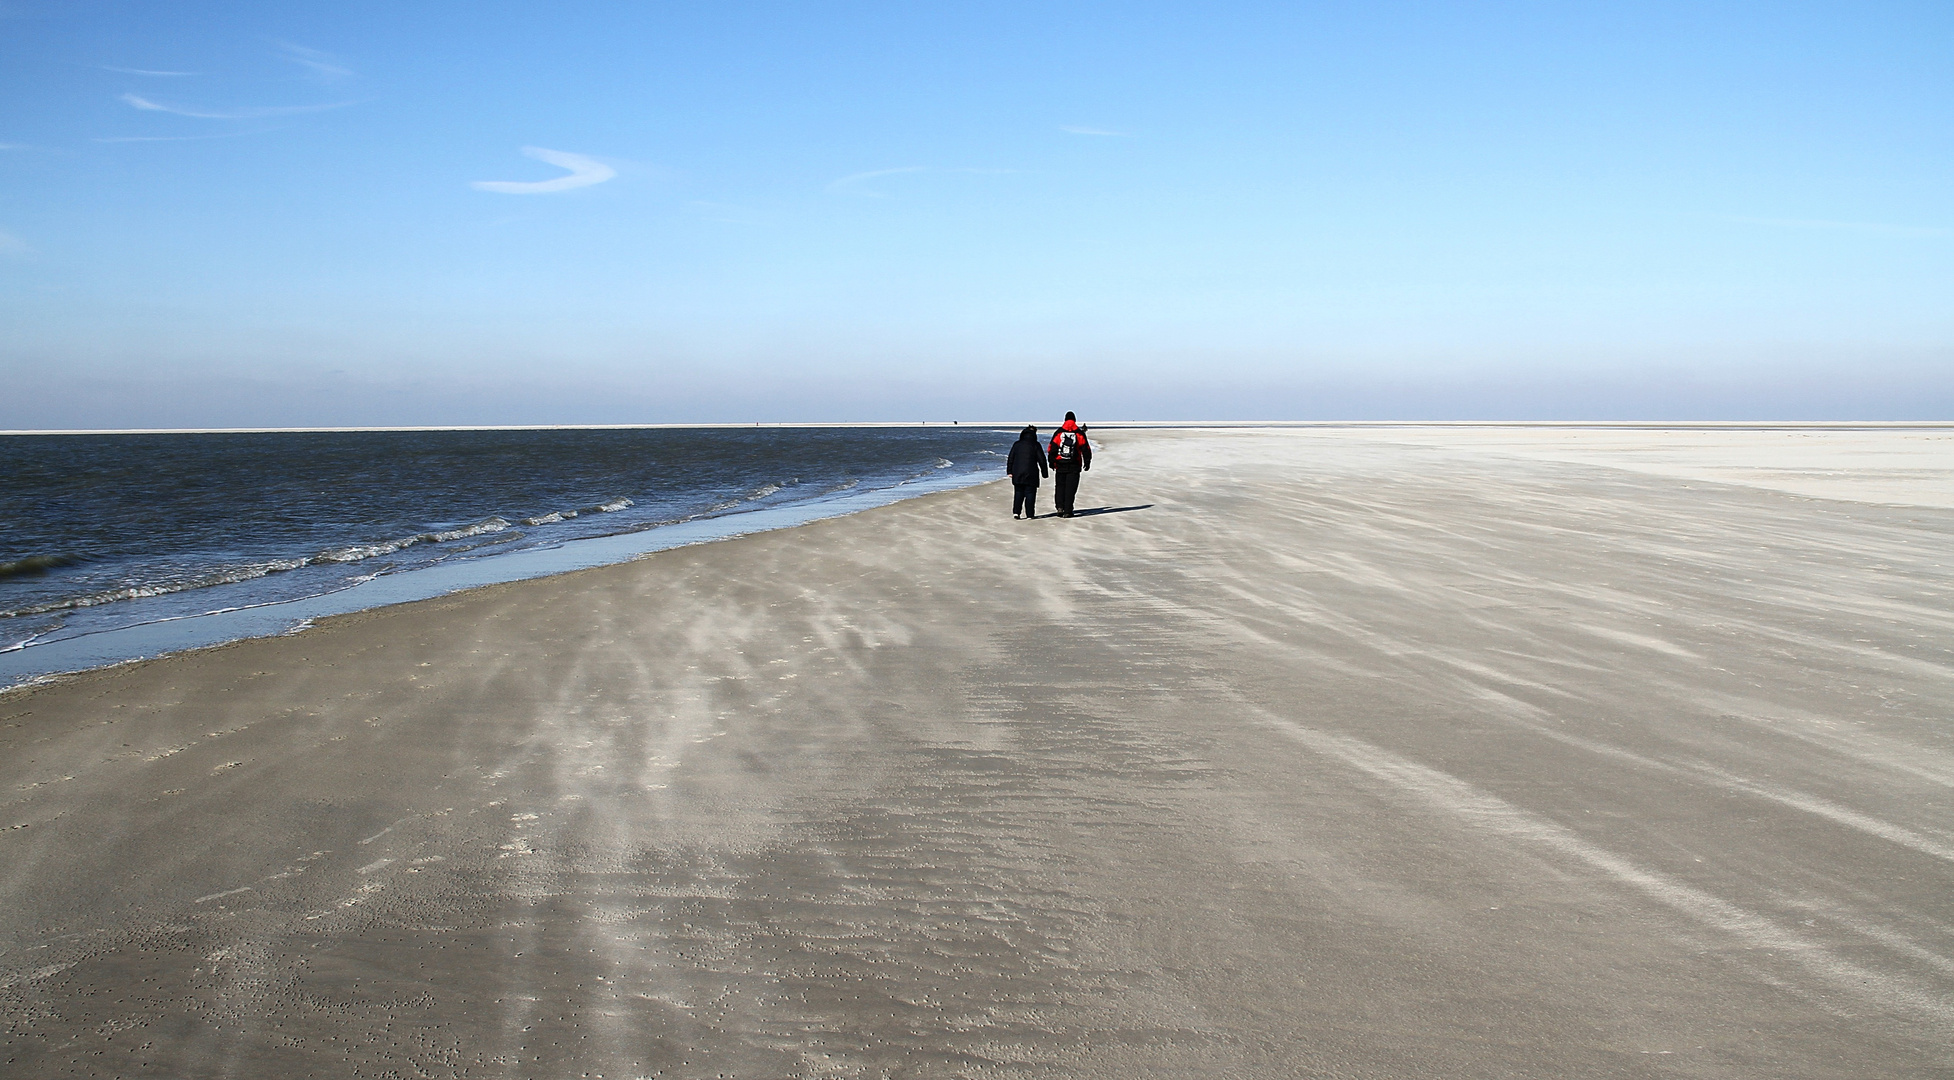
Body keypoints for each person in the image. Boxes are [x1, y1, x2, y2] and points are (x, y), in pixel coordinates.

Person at [1046, 411, 1092, 517]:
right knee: (1071, 488)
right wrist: (1087, 462)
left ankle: (1060, 507)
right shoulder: (1079, 433)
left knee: (1060, 487)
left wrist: (1051, 462)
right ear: (1075, 420)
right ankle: (1068, 510)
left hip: (1060, 464)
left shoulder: (1059, 432)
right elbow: (1086, 449)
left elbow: (1051, 448)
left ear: (1065, 419)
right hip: (1074, 464)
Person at [1005, 425, 1048, 519]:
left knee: (1018, 492)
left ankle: (1016, 513)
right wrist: (1045, 473)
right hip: (1031, 473)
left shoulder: (1017, 444)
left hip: (1018, 472)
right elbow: (1042, 460)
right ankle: (1030, 514)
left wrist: (1009, 471)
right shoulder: (1036, 444)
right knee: (1030, 493)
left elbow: (1011, 458)